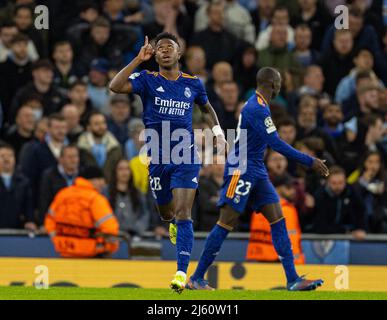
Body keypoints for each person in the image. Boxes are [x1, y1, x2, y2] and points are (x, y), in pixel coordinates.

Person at [187, 67, 329, 291]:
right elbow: (276, 144)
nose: (281, 85)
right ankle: (196, 277)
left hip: (256, 168)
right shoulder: (257, 108)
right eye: (279, 81)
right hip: (241, 168)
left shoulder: (260, 106)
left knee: (277, 217)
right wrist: (310, 161)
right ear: (273, 83)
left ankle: (292, 279)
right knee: (226, 222)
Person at [109, 32, 226, 293]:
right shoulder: (147, 80)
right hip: (158, 158)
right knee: (167, 213)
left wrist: (219, 136)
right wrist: (138, 60)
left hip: (185, 155)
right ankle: (172, 224)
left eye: (169, 47)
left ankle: (182, 273)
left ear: (179, 53)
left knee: (185, 212)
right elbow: (115, 86)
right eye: (159, 47)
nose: (163, 50)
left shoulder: (193, 84)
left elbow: (206, 109)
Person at [44, 166, 120, 258]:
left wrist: (56, 239)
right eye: (100, 179)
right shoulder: (95, 199)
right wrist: (107, 248)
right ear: (91, 180)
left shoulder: (63, 194)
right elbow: (110, 228)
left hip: (65, 252)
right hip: (91, 255)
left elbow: (49, 220)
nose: (103, 183)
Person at [247, 173, 305, 264]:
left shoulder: (260, 206)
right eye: (288, 187)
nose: (293, 191)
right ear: (277, 188)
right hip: (279, 262)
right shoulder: (284, 209)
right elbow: (289, 239)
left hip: (262, 257)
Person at [313, 166, 366, 239]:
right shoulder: (320, 196)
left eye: (341, 183)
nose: (338, 186)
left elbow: (361, 211)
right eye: (334, 183)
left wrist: (360, 229)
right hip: (324, 237)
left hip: (348, 236)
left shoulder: (351, 192)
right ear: (327, 182)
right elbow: (320, 225)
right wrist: (346, 231)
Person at [108, 159, 152, 236]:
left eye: (127, 169)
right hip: (113, 236)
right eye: (121, 169)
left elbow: (145, 214)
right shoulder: (106, 192)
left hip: (134, 236)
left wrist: (136, 229)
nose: (124, 172)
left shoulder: (138, 193)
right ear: (115, 171)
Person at [38, 145, 80, 226]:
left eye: (75, 156)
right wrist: (44, 223)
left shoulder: (83, 174)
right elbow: (44, 201)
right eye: (69, 157)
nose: (73, 160)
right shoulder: (49, 175)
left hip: (78, 223)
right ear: (60, 159)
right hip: (56, 222)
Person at [77, 111, 122, 182]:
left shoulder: (115, 146)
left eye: (103, 123)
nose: (101, 126)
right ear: (88, 127)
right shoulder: (80, 148)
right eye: (96, 124)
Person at [0, 144, 35, 230]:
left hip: (17, 230)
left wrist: (29, 221)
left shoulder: (24, 182)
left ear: (15, 159)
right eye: (2, 156)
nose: (6, 159)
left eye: (10, 156)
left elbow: (28, 206)